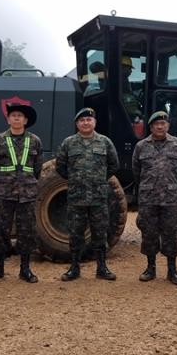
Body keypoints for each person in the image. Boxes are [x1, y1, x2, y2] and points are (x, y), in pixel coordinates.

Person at [56, 107, 120, 281]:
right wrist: (77, 180)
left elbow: (114, 165)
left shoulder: (105, 142)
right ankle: (74, 268)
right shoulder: (68, 143)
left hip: (98, 197)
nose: (86, 123)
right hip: (76, 197)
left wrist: (98, 179)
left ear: (94, 122)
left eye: (89, 120)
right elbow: (60, 167)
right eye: (82, 120)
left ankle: (102, 268)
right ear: (77, 124)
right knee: (75, 234)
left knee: (100, 234)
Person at [0, 103, 43, 283]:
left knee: (26, 231)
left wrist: (26, 182)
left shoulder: (35, 141)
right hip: (5, 192)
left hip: (27, 193)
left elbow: (37, 168)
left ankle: (25, 269)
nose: (17, 118)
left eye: (20, 116)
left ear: (25, 120)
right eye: (13, 115)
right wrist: (7, 180)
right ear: (8, 119)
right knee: (1, 229)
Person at [132, 111, 177, 285]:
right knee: (149, 234)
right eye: (156, 124)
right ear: (151, 127)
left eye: (163, 124)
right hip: (148, 198)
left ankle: (172, 270)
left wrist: (170, 185)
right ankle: (150, 269)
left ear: (168, 126)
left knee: (171, 233)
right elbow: (136, 172)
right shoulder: (141, 146)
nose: (159, 126)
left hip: (170, 198)